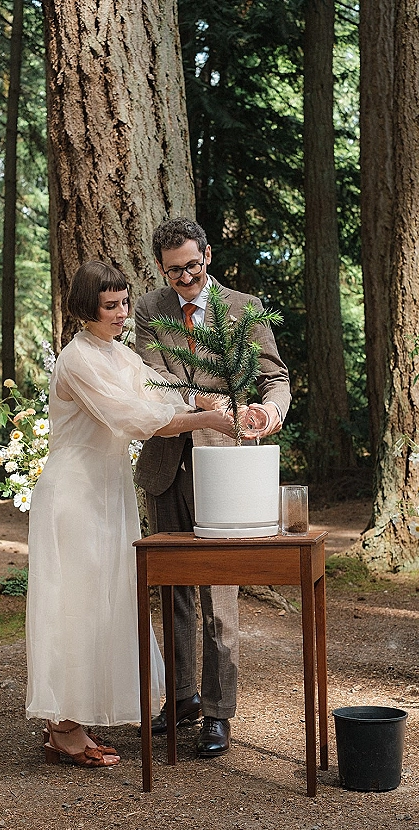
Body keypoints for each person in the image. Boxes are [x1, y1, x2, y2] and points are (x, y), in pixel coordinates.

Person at [25, 259, 243, 768]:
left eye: (125, 303)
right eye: (110, 306)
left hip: (110, 491)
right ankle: (63, 727)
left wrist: (206, 397)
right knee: (73, 604)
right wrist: (207, 419)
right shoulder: (76, 360)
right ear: (86, 308)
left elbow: (157, 388)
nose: (123, 313)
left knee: (108, 601)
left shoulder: (118, 355)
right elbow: (135, 417)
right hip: (74, 494)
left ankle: (72, 721)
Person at [134, 217, 291, 757]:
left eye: (192, 266)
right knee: (172, 589)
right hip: (165, 465)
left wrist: (268, 412)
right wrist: (197, 404)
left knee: (219, 593)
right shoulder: (149, 311)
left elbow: (276, 378)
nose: (184, 278)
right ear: (161, 266)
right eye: (173, 270)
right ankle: (181, 698)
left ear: (207, 255)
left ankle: (220, 712)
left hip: (225, 468)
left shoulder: (245, 308)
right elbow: (152, 378)